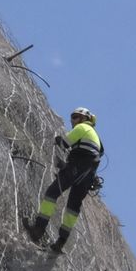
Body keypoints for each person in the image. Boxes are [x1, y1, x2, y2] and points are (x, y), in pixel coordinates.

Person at [24, 107, 103, 253]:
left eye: (76, 117)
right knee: (73, 207)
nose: (73, 120)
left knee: (52, 193)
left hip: (78, 167)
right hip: (88, 175)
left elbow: (65, 143)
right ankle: (61, 242)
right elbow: (97, 154)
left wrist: (58, 140)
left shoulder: (82, 128)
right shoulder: (96, 137)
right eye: (72, 117)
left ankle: (39, 229)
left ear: (84, 119)